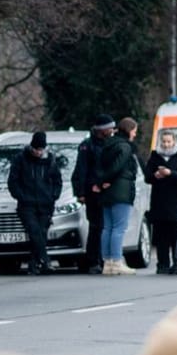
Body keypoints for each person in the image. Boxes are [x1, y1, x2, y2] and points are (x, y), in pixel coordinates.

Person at [7, 130, 64, 274]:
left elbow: (57, 180)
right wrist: (21, 196)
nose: (39, 152)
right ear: (32, 147)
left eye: (41, 149)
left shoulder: (50, 161)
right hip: (27, 204)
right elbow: (13, 181)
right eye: (36, 149)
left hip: (46, 204)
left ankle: (34, 264)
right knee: (34, 231)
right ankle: (45, 261)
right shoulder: (21, 159)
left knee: (41, 234)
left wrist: (53, 196)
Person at [95, 115, 139, 275]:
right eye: (134, 131)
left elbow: (100, 166)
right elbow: (118, 167)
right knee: (119, 228)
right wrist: (108, 180)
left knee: (107, 227)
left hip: (107, 192)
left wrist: (101, 182)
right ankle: (116, 261)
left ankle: (107, 262)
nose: (135, 135)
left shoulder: (107, 144)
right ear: (129, 131)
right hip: (121, 190)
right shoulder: (125, 147)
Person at [71, 117, 115, 274]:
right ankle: (94, 260)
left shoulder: (111, 144)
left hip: (108, 191)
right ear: (101, 130)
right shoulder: (87, 146)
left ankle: (106, 259)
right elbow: (81, 170)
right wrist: (81, 192)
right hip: (93, 192)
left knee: (107, 226)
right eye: (109, 128)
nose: (112, 131)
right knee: (96, 227)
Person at [145, 129, 177, 274]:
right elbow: (147, 176)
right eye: (163, 141)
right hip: (159, 201)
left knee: (176, 235)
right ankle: (162, 264)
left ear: (174, 141)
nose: (166, 144)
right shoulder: (155, 155)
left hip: (176, 201)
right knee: (160, 236)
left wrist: (170, 174)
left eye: (168, 141)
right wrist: (155, 175)